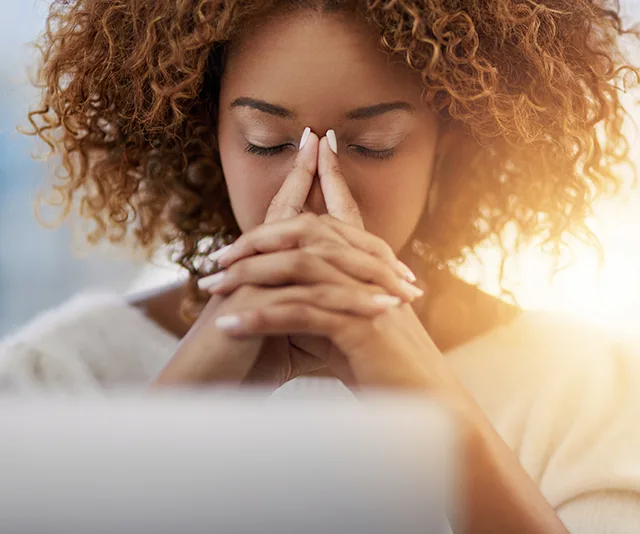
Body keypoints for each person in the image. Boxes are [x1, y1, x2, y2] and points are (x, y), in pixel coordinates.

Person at [2, 0, 640, 531]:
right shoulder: (55, 379)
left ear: (451, 145)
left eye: (371, 147)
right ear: (206, 136)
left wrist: (436, 407)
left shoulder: (590, 390)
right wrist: (184, 400)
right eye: (267, 143)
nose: (310, 191)